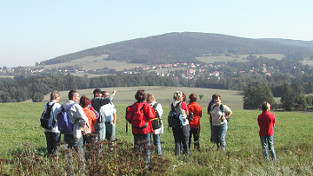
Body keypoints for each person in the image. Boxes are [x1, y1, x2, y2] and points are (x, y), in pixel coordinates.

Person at [126, 90, 155, 165]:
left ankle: (137, 162)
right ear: (145, 97)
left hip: (135, 129)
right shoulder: (146, 105)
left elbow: (129, 117)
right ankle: (146, 163)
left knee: (137, 146)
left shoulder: (133, 106)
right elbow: (152, 116)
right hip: (145, 129)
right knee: (146, 147)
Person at [62, 90, 89, 172]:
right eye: (77, 97)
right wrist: (84, 128)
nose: (78, 98)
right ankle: (82, 171)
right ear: (73, 97)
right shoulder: (76, 106)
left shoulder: (63, 106)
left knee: (68, 154)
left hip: (66, 132)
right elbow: (84, 118)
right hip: (75, 132)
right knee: (80, 154)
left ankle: (69, 171)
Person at [171, 91, 190, 156]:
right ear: (178, 97)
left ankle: (177, 154)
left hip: (175, 124)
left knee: (177, 141)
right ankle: (186, 154)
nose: (182, 97)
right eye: (181, 96)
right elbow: (187, 112)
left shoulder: (172, 104)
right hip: (183, 123)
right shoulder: (182, 104)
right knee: (185, 140)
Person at [43, 90, 61, 155]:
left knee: (49, 147)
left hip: (46, 128)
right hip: (55, 128)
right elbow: (59, 116)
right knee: (56, 147)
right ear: (57, 97)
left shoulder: (46, 105)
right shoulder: (57, 105)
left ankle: (50, 159)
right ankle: (55, 160)